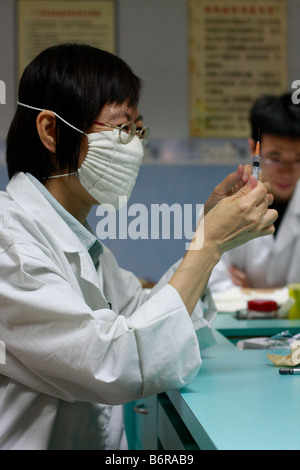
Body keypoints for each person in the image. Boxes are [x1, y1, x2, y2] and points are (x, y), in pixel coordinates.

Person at [0, 43, 276, 450]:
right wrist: (209, 246)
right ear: (51, 131)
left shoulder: (81, 244)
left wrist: (205, 235)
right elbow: (117, 361)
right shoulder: (10, 243)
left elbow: (148, 318)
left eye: (139, 130)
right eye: (121, 129)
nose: (134, 146)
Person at [209, 93, 300, 292]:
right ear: (254, 149)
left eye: (297, 159)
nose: (287, 171)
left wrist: (251, 293)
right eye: (275, 158)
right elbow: (209, 283)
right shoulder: (228, 202)